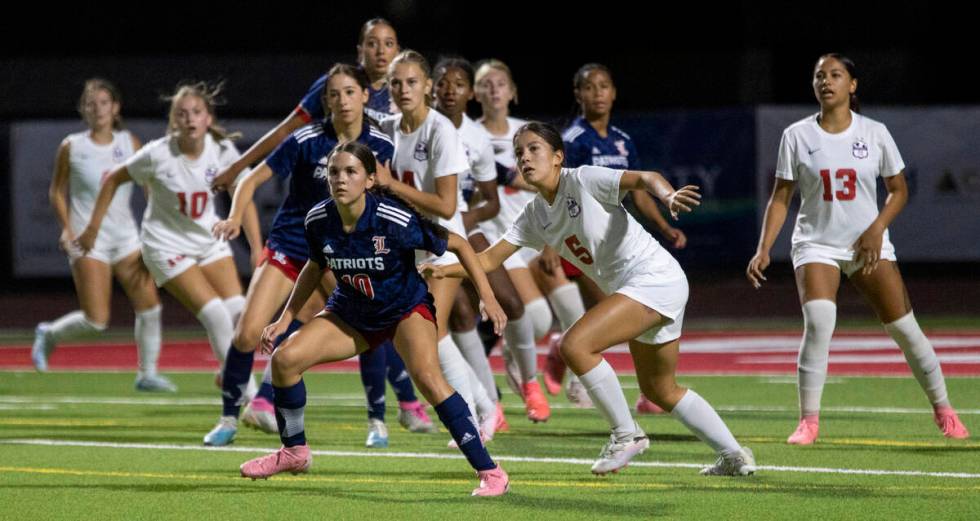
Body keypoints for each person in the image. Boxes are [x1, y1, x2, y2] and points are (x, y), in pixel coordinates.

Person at [424, 122, 756, 476]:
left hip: (653, 279)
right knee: (660, 389)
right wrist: (445, 269)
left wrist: (668, 195)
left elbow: (646, 178)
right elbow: (489, 259)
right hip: (650, 286)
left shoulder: (581, 179)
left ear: (557, 157)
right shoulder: (535, 214)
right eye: (519, 152)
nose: (524, 157)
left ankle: (626, 435)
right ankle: (734, 455)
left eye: (534, 149)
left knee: (576, 345)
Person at [238, 141, 510, 496]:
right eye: (334, 171)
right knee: (285, 360)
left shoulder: (393, 218)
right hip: (352, 313)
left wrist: (487, 298)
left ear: (369, 180)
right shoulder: (318, 219)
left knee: (428, 378)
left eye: (351, 172)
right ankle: (295, 451)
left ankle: (490, 472)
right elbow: (315, 266)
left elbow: (458, 244)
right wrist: (285, 317)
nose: (340, 178)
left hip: (404, 309)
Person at [210, 19, 425, 443]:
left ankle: (381, 416)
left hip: (342, 252)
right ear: (323, 100)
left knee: (370, 322)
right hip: (292, 244)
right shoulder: (307, 137)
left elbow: (391, 197)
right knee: (248, 332)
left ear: (365, 96)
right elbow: (252, 179)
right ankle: (229, 419)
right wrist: (235, 213)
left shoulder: (382, 146)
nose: (342, 101)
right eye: (334, 94)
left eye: (350, 92)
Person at [746, 53, 970, 444]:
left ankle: (944, 409)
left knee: (906, 331)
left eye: (835, 75)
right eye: (819, 76)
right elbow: (781, 197)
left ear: (852, 85)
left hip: (868, 245)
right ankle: (809, 422)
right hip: (816, 244)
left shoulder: (875, 132)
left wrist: (876, 230)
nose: (826, 82)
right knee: (819, 324)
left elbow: (899, 191)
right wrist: (764, 248)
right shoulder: (796, 136)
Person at [76, 81, 263, 443]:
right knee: (215, 316)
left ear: (208, 118)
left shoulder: (222, 150)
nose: (190, 118)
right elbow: (114, 178)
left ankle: (230, 373)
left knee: (240, 312)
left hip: (208, 240)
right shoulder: (156, 154)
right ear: (173, 120)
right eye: (182, 113)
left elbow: (245, 191)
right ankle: (251, 397)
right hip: (164, 245)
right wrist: (93, 226)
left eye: (196, 112)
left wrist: (257, 247)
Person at [543, 63, 689, 410]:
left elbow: (638, 191)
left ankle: (647, 389)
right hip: (583, 241)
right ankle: (579, 364)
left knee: (629, 313)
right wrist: (550, 244)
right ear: (578, 95)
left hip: (617, 243)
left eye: (604, 86)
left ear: (614, 92)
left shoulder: (622, 141)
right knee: (618, 310)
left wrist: (664, 225)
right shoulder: (574, 140)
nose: (598, 93)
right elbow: (555, 192)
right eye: (589, 87)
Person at [378, 50, 498, 438]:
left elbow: (447, 204)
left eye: (412, 82)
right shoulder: (388, 127)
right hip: (406, 245)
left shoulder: (440, 129)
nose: (403, 89)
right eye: (396, 82)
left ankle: (474, 418)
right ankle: (485, 407)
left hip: (440, 243)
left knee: (430, 333)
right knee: (429, 336)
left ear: (427, 86)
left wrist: (390, 184)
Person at [31, 78, 176, 392]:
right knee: (96, 321)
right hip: (87, 241)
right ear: (83, 109)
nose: (98, 109)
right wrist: (67, 228)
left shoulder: (129, 142)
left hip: (126, 239)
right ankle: (49, 334)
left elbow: (148, 186)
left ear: (115, 108)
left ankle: (147, 374)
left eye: (104, 103)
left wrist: (161, 221)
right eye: (91, 103)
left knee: (150, 306)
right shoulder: (72, 145)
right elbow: (57, 190)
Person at [434, 57, 550, 424]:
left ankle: (530, 382)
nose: (450, 89)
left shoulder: (477, 137)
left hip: (472, 233)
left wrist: (462, 216)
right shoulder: (420, 129)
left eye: (458, 83)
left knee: (514, 305)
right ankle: (489, 406)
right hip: (427, 235)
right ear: (431, 88)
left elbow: (491, 198)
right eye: (442, 82)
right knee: (459, 317)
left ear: (470, 92)